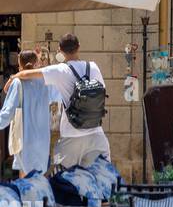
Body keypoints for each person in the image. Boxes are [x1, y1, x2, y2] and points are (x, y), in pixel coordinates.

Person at [38, 33, 110, 169]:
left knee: (64, 182)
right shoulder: (93, 67)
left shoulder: (59, 70)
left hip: (71, 135)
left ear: (59, 49)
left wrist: (14, 77)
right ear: (79, 47)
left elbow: (29, 75)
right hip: (96, 135)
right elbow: (103, 90)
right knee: (100, 180)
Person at [0, 51, 60, 176]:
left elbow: (7, 114)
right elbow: (58, 99)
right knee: (39, 182)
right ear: (36, 63)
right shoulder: (46, 83)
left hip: (25, 140)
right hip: (43, 140)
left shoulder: (18, 83)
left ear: (20, 65)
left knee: (27, 185)